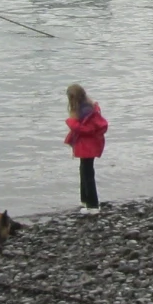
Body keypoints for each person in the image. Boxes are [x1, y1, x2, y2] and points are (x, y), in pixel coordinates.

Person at [64, 84, 108, 213]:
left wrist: (72, 123)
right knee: (84, 172)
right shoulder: (87, 109)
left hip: (88, 146)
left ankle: (93, 205)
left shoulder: (87, 111)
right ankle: (85, 201)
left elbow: (88, 129)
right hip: (86, 146)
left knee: (87, 174)